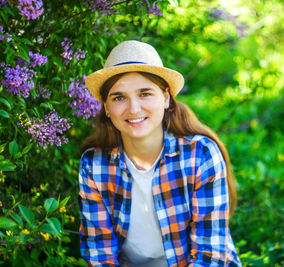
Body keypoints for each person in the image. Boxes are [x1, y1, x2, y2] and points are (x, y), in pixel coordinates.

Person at [78, 40, 242, 267]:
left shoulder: (200, 155)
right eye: (119, 97)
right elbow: (99, 256)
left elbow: (209, 257)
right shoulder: (94, 166)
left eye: (145, 93)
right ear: (106, 108)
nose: (133, 108)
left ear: (165, 98)